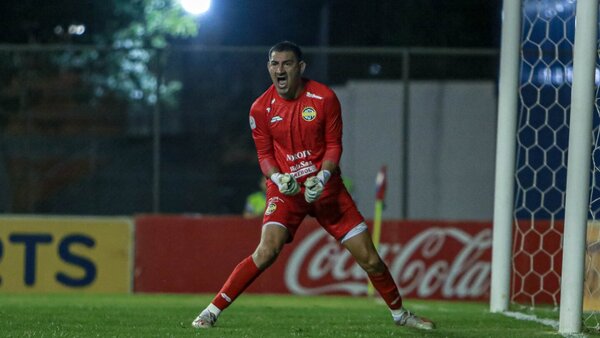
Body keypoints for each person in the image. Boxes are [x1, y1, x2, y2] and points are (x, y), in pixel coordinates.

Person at [192, 41, 435, 331]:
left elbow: (334, 145)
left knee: (370, 259)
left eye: (287, 64)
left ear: (300, 67)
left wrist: (322, 178)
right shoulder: (260, 108)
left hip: (326, 189)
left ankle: (400, 315)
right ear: (269, 67)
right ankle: (210, 312)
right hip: (287, 192)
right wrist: (278, 178)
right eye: (274, 64)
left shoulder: (324, 98)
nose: (280, 70)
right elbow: (265, 155)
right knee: (266, 251)